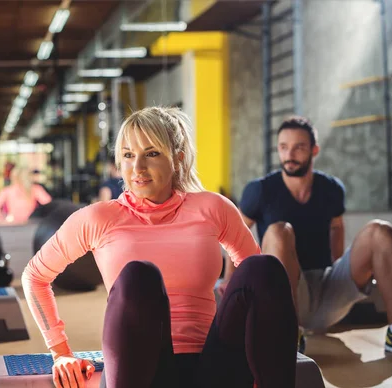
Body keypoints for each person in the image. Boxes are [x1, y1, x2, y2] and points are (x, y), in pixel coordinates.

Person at [22, 107, 299, 388]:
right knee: (139, 276)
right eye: (129, 155)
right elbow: (34, 276)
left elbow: (258, 286)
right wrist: (60, 352)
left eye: (152, 154)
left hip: (213, 365)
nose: (137, 168)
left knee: (265, 267)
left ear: (177, 159)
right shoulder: (98, 217)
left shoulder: (212, 208)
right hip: (142, 370)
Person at [232, 115, 392, 354]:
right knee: (278, 232)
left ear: (314, 150)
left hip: (329, 289)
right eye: (284, 147)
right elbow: (236, 232)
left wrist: (338, 262)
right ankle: (289, 335)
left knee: (380, 231)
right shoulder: (260, 190)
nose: (290, 155)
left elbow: (337, 227)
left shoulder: (332, 188)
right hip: (286, 292)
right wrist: (230, 279)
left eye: (299, 147)